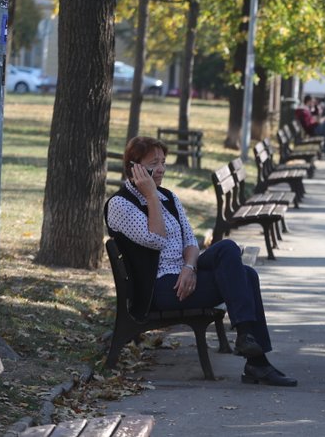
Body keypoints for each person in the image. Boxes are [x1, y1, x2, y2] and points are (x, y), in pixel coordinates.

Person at [105, 136, 297, 387]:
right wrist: (150, 195)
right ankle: (256, 360)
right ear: (135, 168)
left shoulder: (169, 198)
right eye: (154, 163)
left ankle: (247, 339)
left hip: (183, 275)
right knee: (246, 277)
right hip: (161, 288)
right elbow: (156, 239)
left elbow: (192, 242)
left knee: (228, 249)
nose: (161, 169)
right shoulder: (120, 205)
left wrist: (189, 268)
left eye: (164, 162)